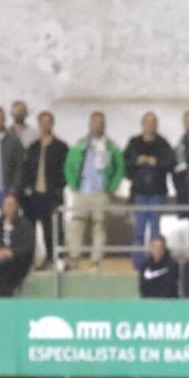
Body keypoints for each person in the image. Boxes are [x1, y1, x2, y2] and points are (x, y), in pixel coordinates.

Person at [64, 111, 124, 270]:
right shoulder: (80, 144)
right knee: (76, 224)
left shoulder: (111, 146)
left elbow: (120, 168)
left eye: (101, 123)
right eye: (95, 122)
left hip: (101, 192)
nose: (98, 125)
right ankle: (73, 257)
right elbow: (69, 165)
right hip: (82, 191)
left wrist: (111, 187)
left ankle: (95, 260)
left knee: (99, 226)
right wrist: (73, 184)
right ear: (90, 124)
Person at [123, 113, 176, 267]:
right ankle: (138, 262)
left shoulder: (162, 143)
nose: (150, 126)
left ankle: (156, 260)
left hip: (157, 192)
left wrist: (156, 162)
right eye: (147, 123)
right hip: (139, 192)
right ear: (142, 124)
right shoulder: (134, 143)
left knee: (155, 229)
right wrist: (137, 161)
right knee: (139, 229)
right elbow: (126, 163)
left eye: (153, 123)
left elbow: (170, 162)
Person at [17, 111, 68, 266]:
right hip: (33, 195)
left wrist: (59, 187)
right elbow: (25, 170)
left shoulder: (61, 147)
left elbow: (65, 171)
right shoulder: (33, 147)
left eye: (48, 122)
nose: (45, 125)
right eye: (42, 122)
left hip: (51, 194)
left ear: (52, 124)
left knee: (51, 228)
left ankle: (52, 258)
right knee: (31, 228)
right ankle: (31, 258)